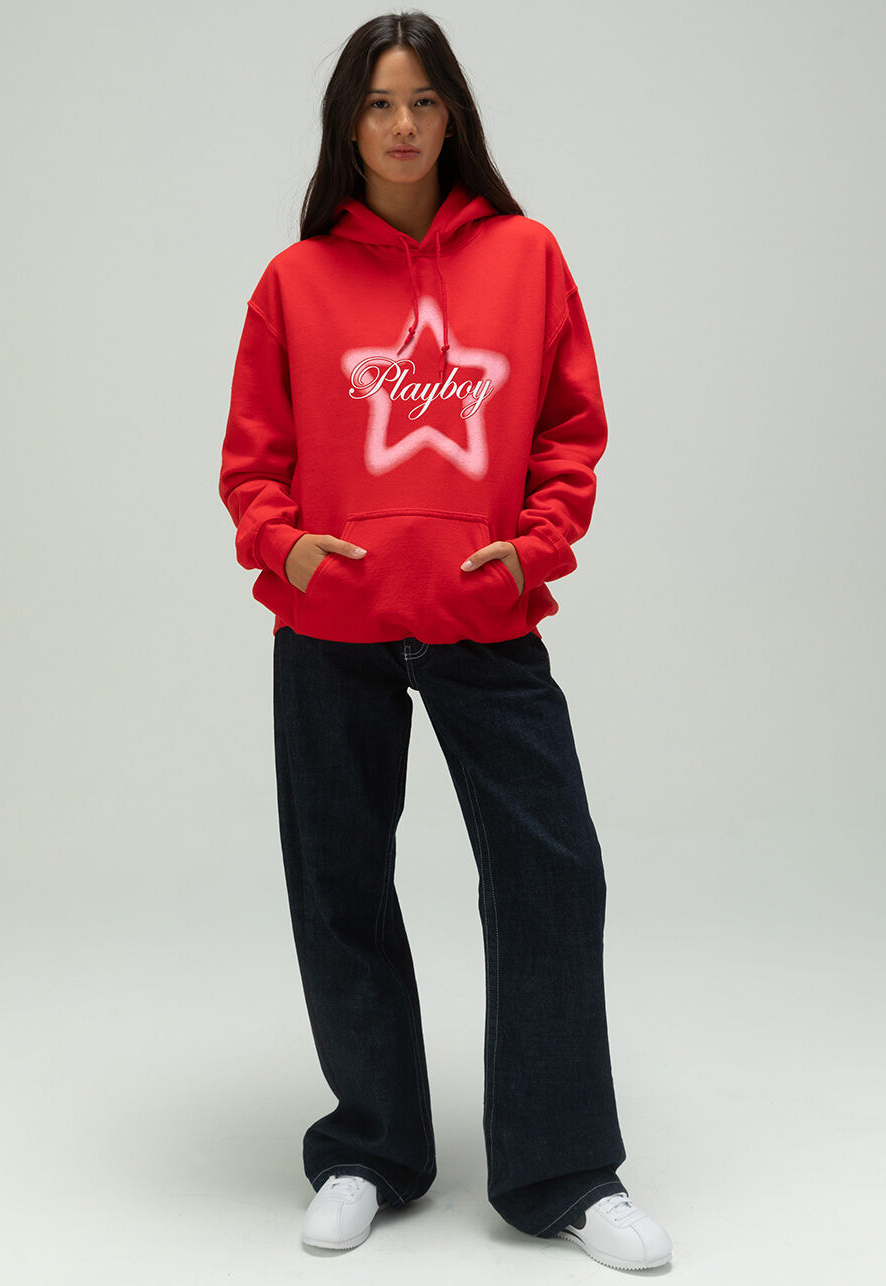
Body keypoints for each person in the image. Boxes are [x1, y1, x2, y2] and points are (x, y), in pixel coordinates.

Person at [218, 11, 672, 1273]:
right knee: (340, 883)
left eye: (423, 100)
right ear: (347, 124)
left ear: (453, 114)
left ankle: (562, 1171)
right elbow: (251, 458)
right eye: (379, 103)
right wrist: (284, 546)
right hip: (332, 623)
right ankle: (369, 1149)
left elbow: (569, 428)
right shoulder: (295, 281)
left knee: (551, 874)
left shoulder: (526, 257)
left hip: (483, 616)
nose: (404, 125)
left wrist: (533, 547)